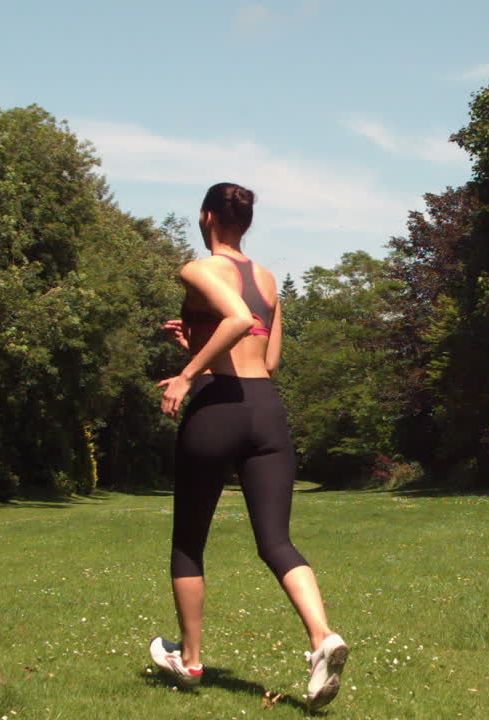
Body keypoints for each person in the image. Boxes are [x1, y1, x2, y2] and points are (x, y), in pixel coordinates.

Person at [148, 182, 347, 709]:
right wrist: (192, 342)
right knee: (276, 541)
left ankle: (189, 661)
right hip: (265, 410)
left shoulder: (198, 269)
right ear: (246, 221)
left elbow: (237, 320)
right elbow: (267, 358)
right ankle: (323, 637)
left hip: (218, 408)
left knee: (189, 541)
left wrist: (186, 373)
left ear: (207, 216)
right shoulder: (266, 277)